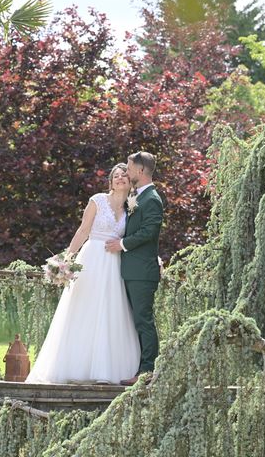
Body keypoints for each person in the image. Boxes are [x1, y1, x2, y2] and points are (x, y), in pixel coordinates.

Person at [25, 164, 140, 385]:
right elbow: (83, 230)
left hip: (115, 263)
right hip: (92, 258)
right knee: (84, 308)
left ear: (130, 181)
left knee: (111, 310)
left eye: (124, 175)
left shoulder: (131, 209)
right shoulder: (97, 200)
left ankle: (107, 369)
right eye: (115, 176)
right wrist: (67, 258)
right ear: (110, 182)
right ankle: (74, 365)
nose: (120, 178)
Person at [105, 151, 163, 386]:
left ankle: (148, 371)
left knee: (143, 320)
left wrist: (122, 244)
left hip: (142, 273)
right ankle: (138, 367)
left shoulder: (152, 199)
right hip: (131, 270)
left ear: (140, 170)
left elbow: (149, 232)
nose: (126, 173)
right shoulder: (137, 196)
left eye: (128, 169)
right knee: (135, 321)